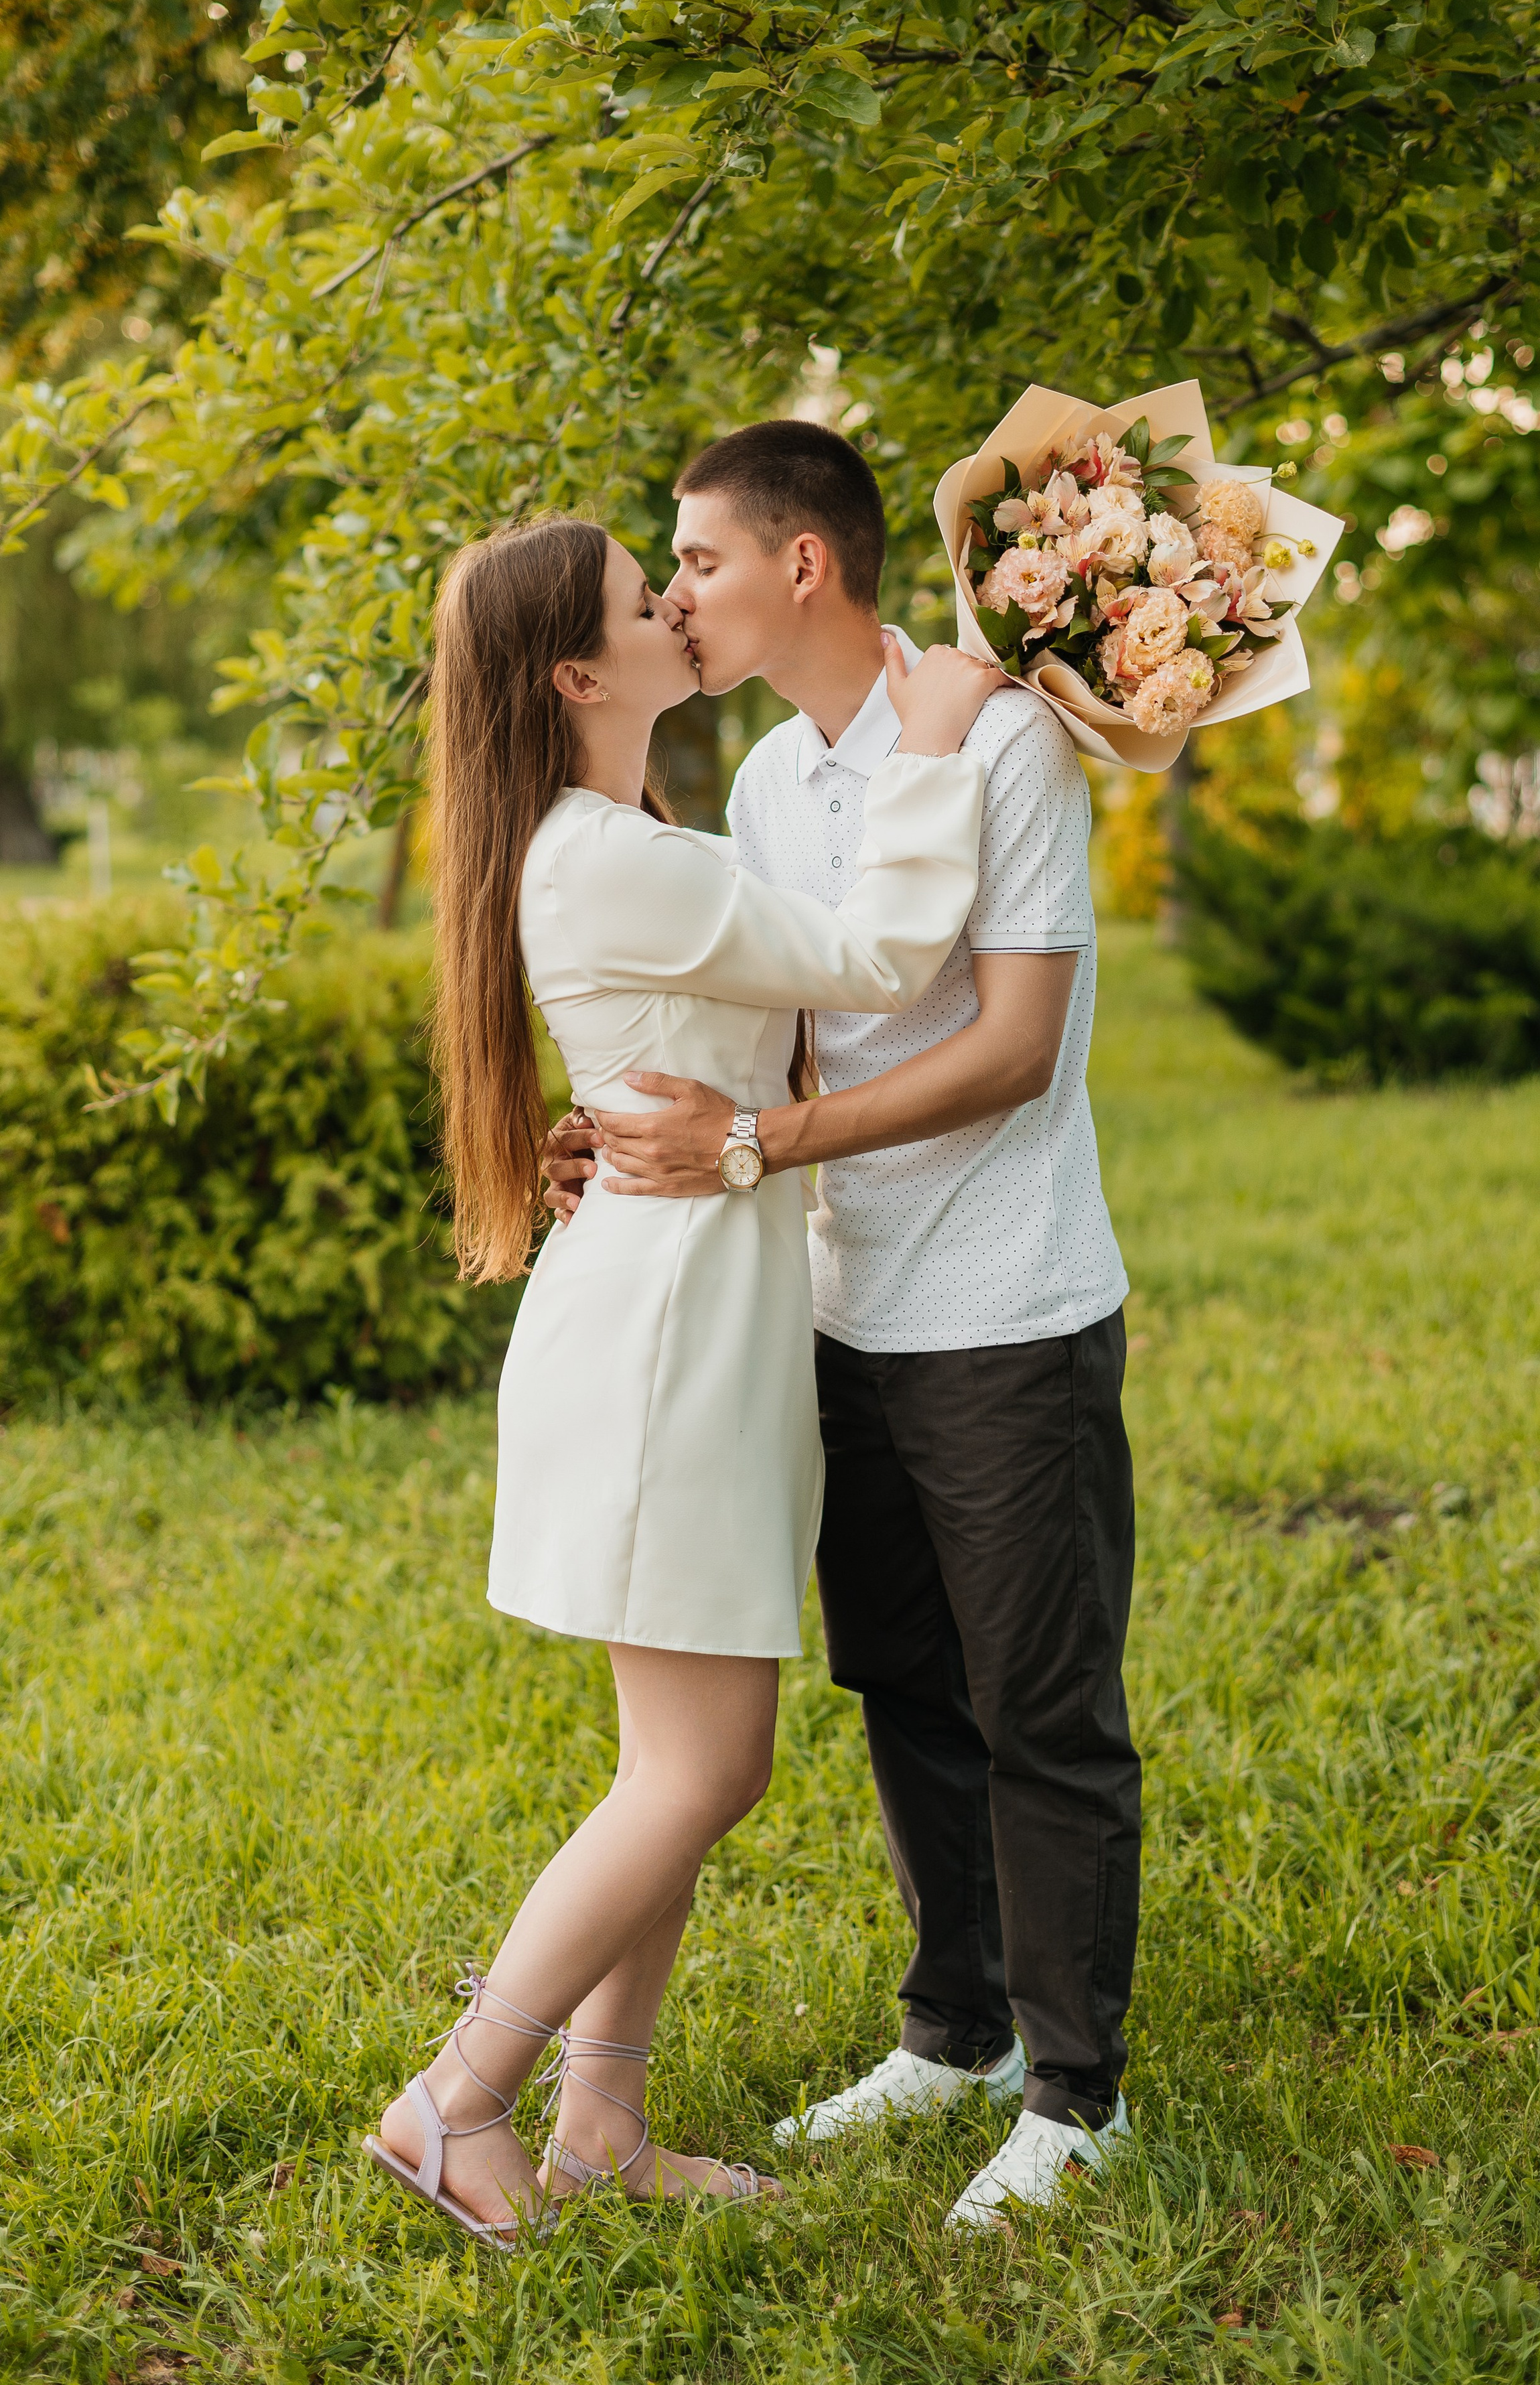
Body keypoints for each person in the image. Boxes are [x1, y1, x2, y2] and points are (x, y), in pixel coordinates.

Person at [363, 510, 1004, 2248]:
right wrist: (934, 743)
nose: (678, 609)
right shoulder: (605, 855)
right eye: (648, 601)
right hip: (665, 1345)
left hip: (695, 1317)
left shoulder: (629, 841)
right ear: (581, 675)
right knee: (702, 1771)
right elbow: (877, 964)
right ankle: (457, 2102)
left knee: (678, 1762)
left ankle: (600, 2123)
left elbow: (771, 1002)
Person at [544, 423, 1142, 2230]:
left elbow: (1013, 1046)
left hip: (1006, 1301)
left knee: (1039, 1707)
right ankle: (956, 2035)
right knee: (903, 1685)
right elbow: (784, 1025)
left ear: (801, 562)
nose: (676, 596)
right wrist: (622, 1135)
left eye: (697, 561)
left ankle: (1078, 2098)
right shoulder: (772, 781)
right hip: (837, 1305)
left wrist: (751, 1143)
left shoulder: (1002, 737)